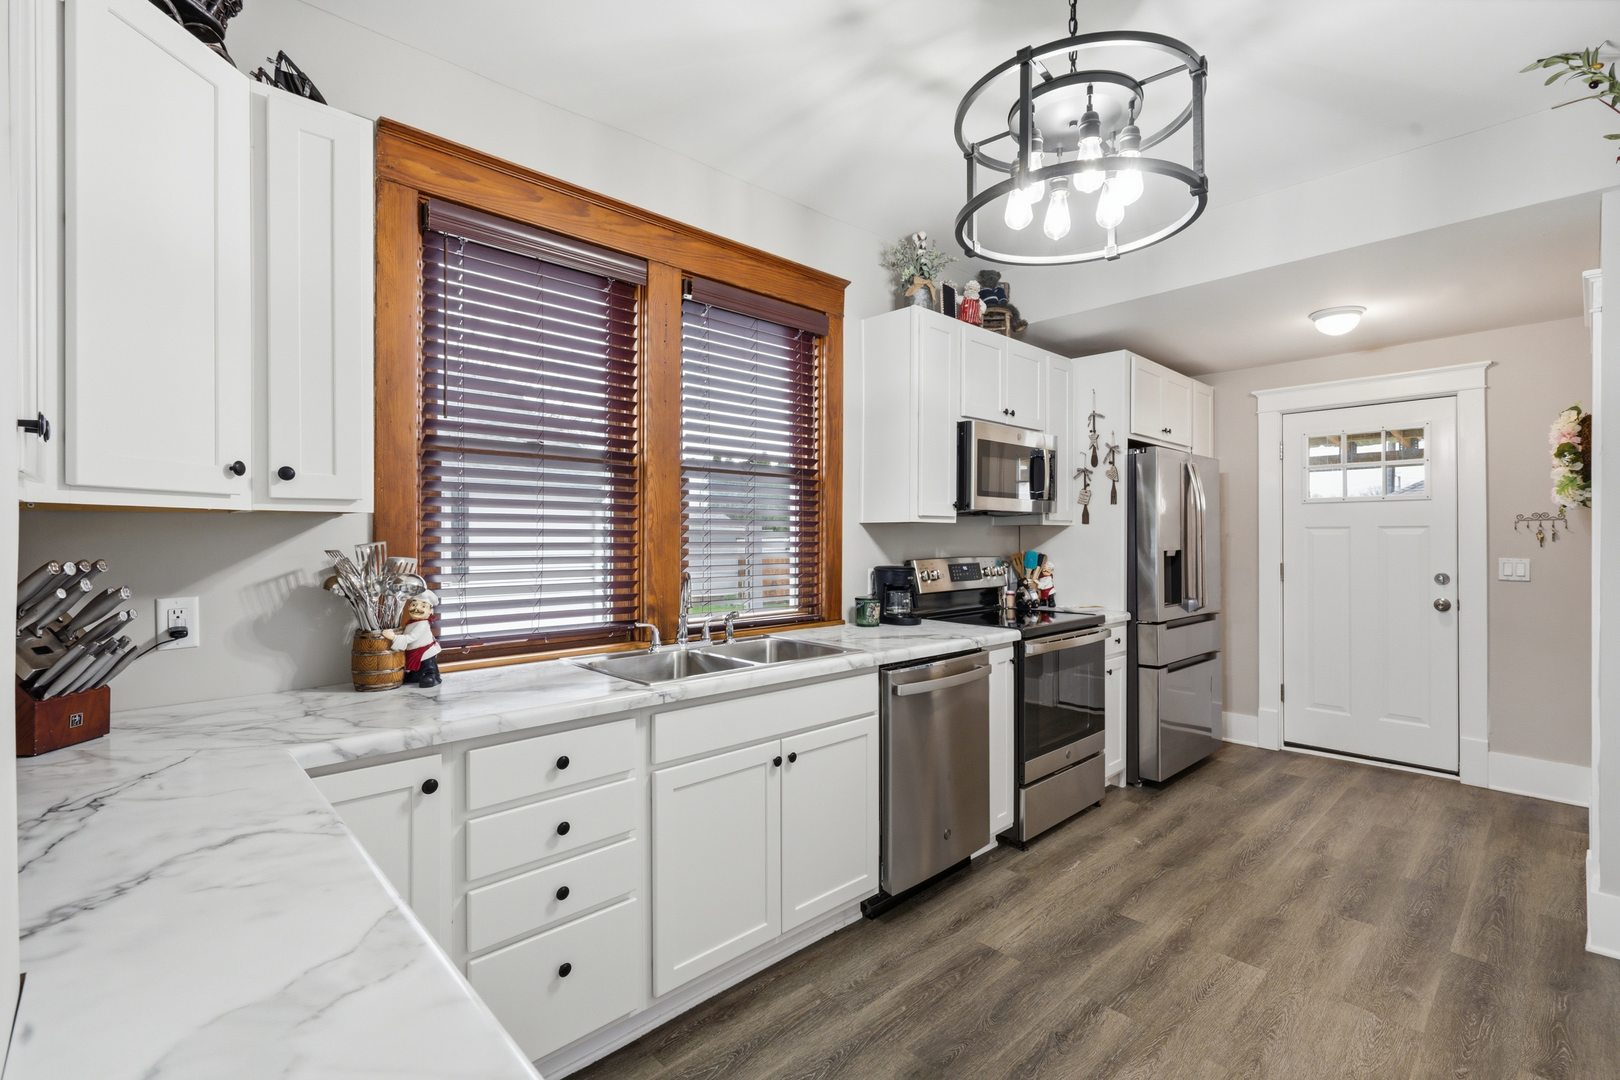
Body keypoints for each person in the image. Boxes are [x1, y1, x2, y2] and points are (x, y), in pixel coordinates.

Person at [383, 590, 442, 688]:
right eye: (414, 604)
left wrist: (393, 637)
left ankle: (432, 676)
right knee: (417, 667)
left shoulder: (423, 624)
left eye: (423, 606)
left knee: (428, 665)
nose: (417, 608)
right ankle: (416, 675)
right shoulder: (411, 622)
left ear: (430, 611)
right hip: (414, 651)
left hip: (425, 651)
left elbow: (412, 637)